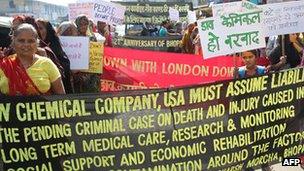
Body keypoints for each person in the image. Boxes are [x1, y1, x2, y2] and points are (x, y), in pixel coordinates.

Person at [0, 23, 65, 95]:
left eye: (31, 41)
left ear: (37, 43)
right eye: (21, 40)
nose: (26, 45)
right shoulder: (4, 64)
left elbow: (61, 98)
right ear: (13, 41)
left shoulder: (47, 63)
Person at [36, 19, 73, 94]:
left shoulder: (55, 48)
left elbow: (64, 71)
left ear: (48, 30)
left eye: (40, 28)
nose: (37, 31)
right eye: (35, 28)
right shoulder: (29, 50)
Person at [73, 15, 101, 93]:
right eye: (81, 24)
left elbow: (96, 53)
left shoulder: (92, 37)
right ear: (77, 25)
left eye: (85, 24)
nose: (83, 26)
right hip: (79, 73)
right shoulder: (73, 38)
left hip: (92, 71)